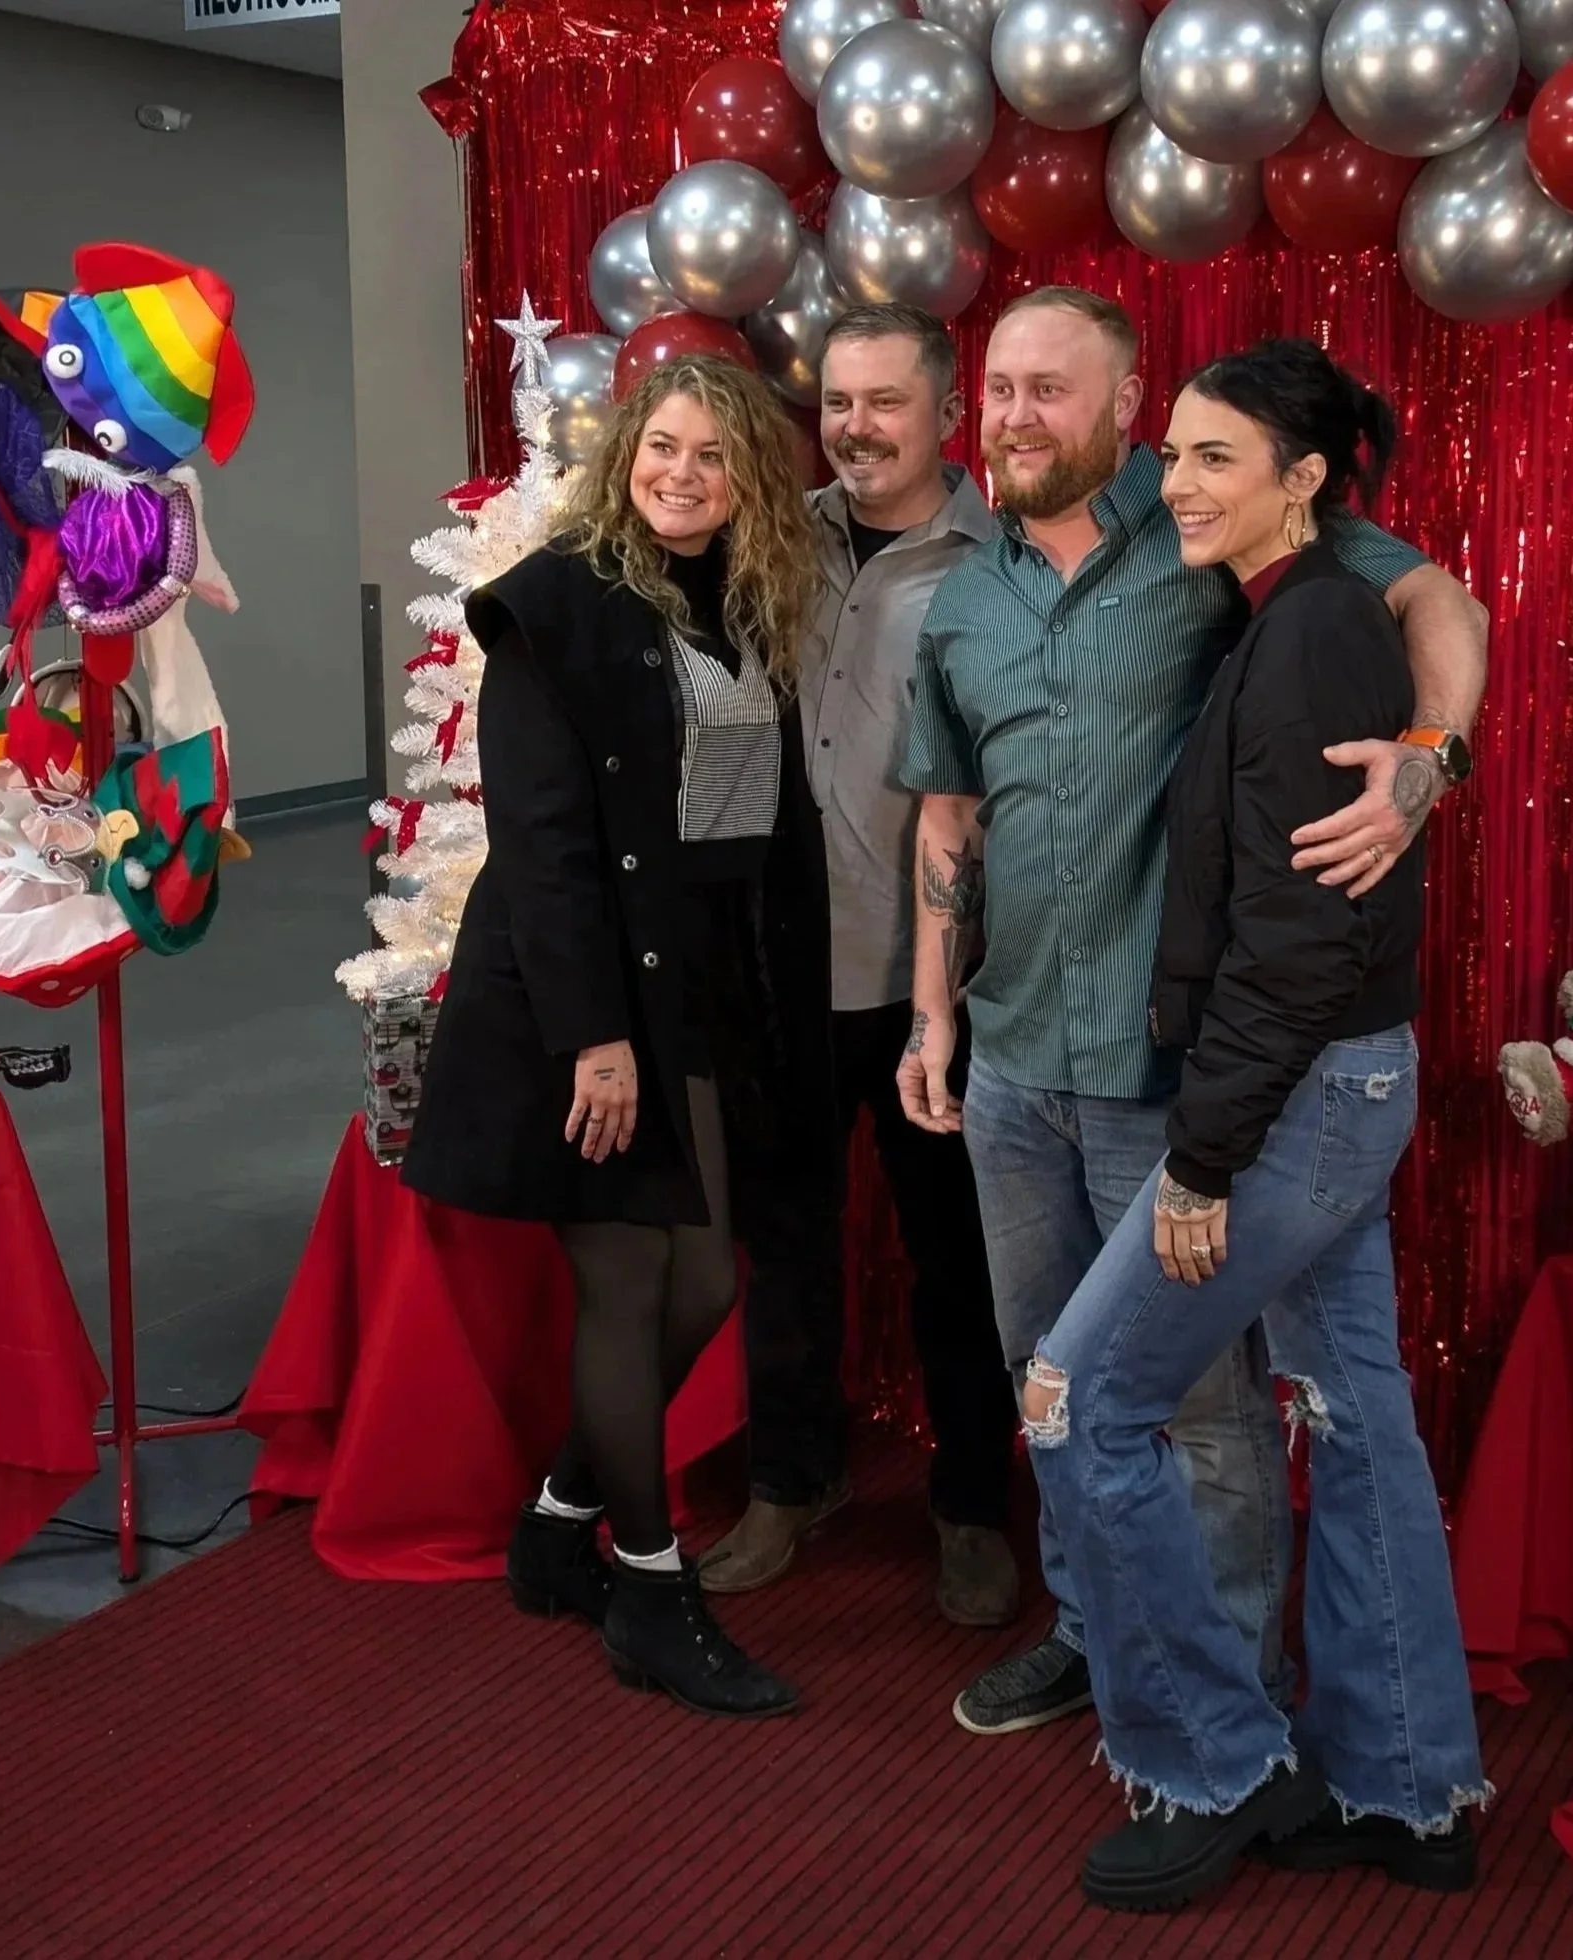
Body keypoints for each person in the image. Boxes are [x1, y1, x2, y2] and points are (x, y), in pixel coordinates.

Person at [899, 287, 1487, 1739]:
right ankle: (1094, 1635)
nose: (1019, 414)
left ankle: (1236, 1680)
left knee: (1205, 1414)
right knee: (1052, 1377)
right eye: (1001, 388)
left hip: (1165, 1067)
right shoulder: (963, 594)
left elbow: (1438, 603)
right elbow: (949, 809)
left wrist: (1426, 760)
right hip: (1014, 1059)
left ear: (1122, 405)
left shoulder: (1216, 531)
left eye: (1053, 389)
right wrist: (929, 1016)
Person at [1020, 340, 1487, 1911]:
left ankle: (1217, 1762)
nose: (1181, 483)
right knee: (1358, 1422)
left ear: (1305, 482)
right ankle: (1408, 1788)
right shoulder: (1288, 622)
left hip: (1292, 1100)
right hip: (1332, 1083)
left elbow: (1300, 945)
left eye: (1220, 458)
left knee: (1078, 1405)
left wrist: (1203, 1160)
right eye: (1175, 454)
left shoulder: (1317, 635)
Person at [401, 354, 834, 1720]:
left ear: (749, 475)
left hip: (694, 992)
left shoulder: (749, 604)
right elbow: (539, 845)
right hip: (577, 993)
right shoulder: (554, 610)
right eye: (663, 448)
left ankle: (557, 1517)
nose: (684, 475)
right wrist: (595, 1041)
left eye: (714, 455)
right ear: (625, 457)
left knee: (705, 1279)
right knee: (632, 1282)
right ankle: (647, 1588)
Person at [699, 305, 1023, 1628]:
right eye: (839, 403)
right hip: (786, 968)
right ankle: (794, 1481)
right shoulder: (771, 539)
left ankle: (971, 1510)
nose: (858, 428)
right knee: (782, 1250)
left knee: (960, 1262)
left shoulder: (1006, 565)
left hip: (938, 977)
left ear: (944, 411)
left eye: (885, 402)